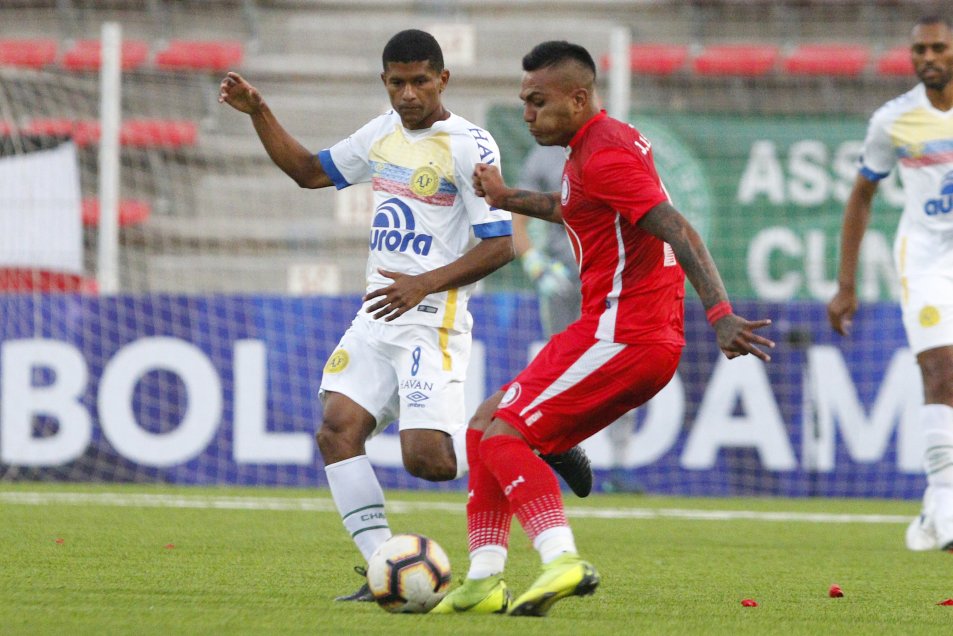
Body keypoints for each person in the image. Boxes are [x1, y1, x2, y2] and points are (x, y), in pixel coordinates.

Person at [218, 29, 593, 602]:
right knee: (336, 431)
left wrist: (425, 283)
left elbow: (500, 245)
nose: (409, 94)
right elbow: (309, 172)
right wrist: (259, 111)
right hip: (377, 316)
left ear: (443, 79)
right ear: (385, 82)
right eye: (397, 82)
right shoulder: (382, 135)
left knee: (432, 463)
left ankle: (529, 437)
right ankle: (382, 567)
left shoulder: (469, 144)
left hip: (431, 318)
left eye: (420, 81)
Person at [431, 40, 774, 616]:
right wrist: (508, 195)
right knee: (485, 422)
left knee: (506, 436)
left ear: (579, 96)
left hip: (624, 336)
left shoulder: (604, 153)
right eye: (523, 101)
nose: (526, 115)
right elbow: (578, 207)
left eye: (537, 102)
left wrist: (719, 314)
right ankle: (487, 576)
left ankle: (561, 559)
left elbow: (679, 230)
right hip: (611, 331)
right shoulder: (595, 148)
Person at [828, 15, 953, 553]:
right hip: (925, 260)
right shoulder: (894, 120)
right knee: (940, 371)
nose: (928, 57)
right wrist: (846, 285)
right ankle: (947, 507)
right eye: (920, 49)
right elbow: (862, 195)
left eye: (939, 48)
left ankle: (930, 515)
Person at [515, 144, 642, 493]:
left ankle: (621, 464)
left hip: (607, 279)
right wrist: (535, 265)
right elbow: (517, 220)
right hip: (563, 279)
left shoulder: (612, 149)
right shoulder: (542, 157)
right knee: (555, 365)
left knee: (619, 363)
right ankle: (555, 452)